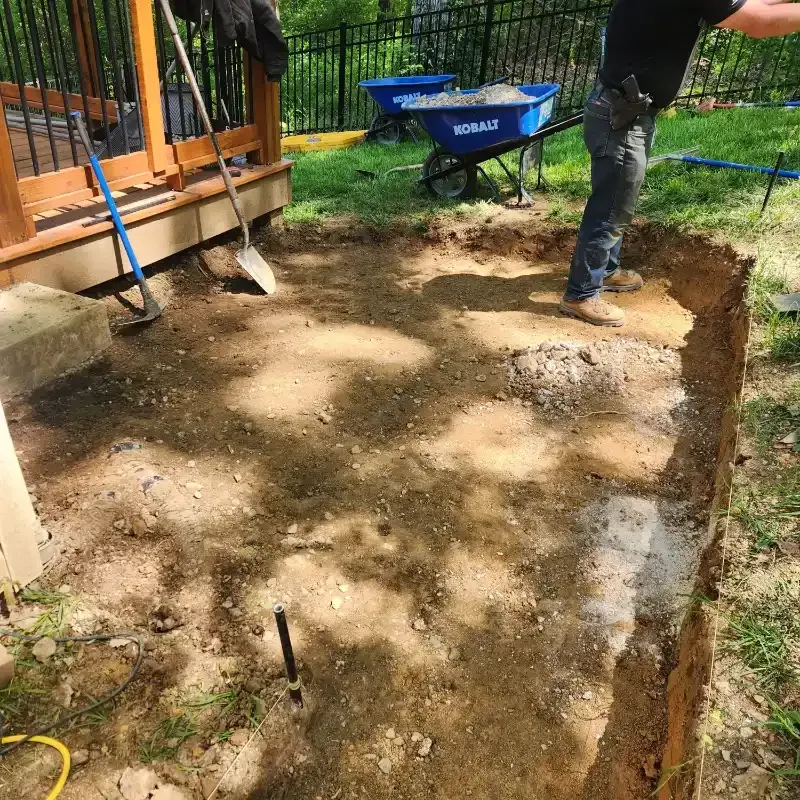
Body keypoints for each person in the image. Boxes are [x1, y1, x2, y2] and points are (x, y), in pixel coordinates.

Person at [560, 0, 800, 327]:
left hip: (625, 108)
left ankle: (606, 271)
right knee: (613, 204)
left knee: (620, 197)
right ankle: (581, 294)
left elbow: (746, 4)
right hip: (622, 113)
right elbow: (757, 22)